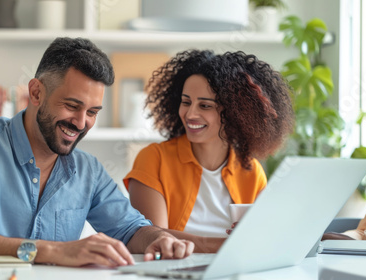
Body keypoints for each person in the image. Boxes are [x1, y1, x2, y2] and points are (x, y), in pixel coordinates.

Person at [0, 37, 194, 267]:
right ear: (36, 92)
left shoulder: (88, 171)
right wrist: (51, 251)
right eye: (72, 105)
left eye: (92, 112)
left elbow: (131, 229)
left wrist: (159, 238)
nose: (80, 122)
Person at [124, 50, 294, 250]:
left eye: (205, 106)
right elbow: (151, 237)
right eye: (186, 102)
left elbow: (262, 237)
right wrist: (226, 245)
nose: (190, 114)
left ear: (233, 113)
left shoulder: (251, 171)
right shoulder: (154, 159)